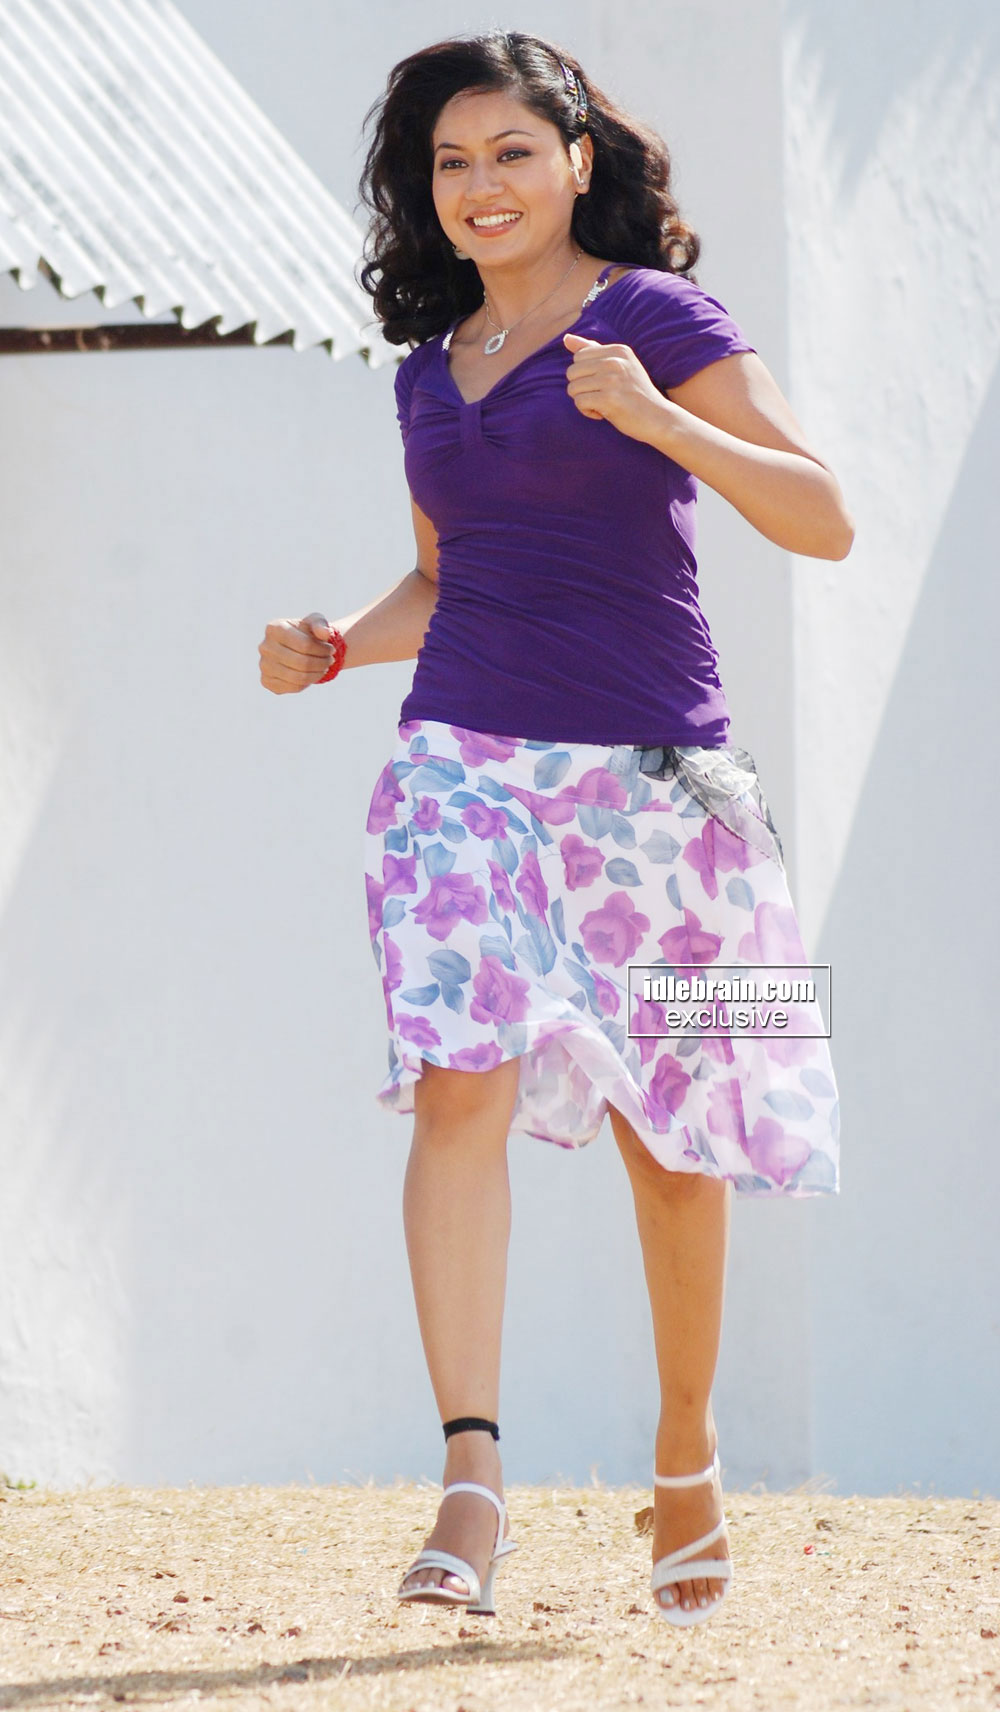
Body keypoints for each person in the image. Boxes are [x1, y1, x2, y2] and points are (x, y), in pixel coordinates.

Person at [258, 29, 852, 1629]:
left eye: (513, 151)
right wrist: (337, 641)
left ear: (578, 161)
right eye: (451, 162)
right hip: (463, 765)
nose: (483, 185)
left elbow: (826, 517)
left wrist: (662, 421)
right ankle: (472, 1476)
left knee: (682, 1137)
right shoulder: (425, 371)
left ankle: (686, 1453)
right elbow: (449, 578)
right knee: (457, 1076)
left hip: (665, 789)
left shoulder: (660, 319)